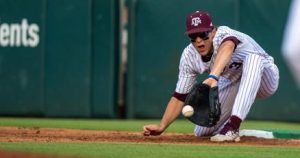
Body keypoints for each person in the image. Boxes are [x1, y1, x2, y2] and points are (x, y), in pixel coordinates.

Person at [143, 11, 279, 142]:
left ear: (213, 31)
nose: (198, 40)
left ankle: (233, 126)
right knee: (202, 131)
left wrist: (213, 77)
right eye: (193, 36)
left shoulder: (223, 34)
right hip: (236, 82)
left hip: (265, 78)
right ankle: (233, 129)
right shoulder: (189, 56)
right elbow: (180, 96)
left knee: (253, 59)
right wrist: (162, 126)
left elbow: (228, 46)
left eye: (203, 34)